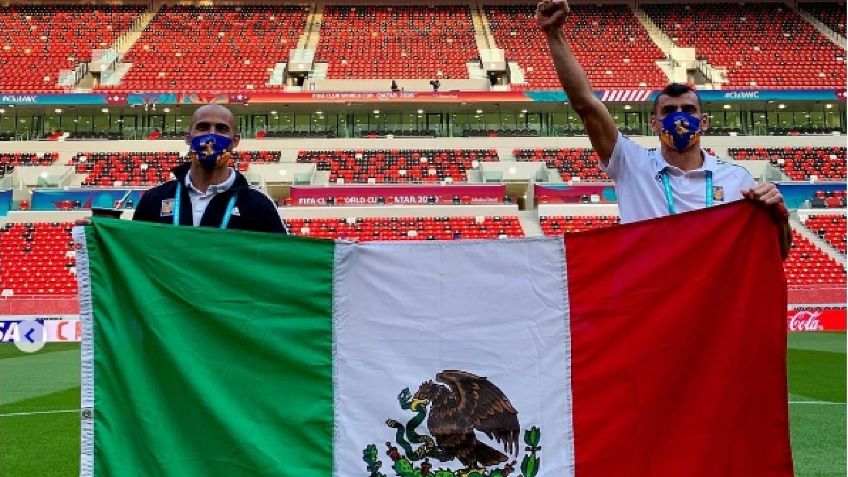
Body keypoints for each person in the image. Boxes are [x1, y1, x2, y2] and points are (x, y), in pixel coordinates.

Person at [535, 0, 788, 226]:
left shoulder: (737, 179)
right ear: (654, 123)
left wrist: (778, 217)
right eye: (669, 110)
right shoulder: (631, 165)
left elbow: (775, 252)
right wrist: (554, 35)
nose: (679, 117)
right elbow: (585, 104)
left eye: (688, 110)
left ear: (704, 122)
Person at [78, 105, 286, 234]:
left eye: (221, 129)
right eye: (203, 127)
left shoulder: (258, 204)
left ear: (235, 141)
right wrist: (100, 236)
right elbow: (136, 255)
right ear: (188, 137)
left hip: (228, 305)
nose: (211, 137)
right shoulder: (154, 199)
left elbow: (282, 260)